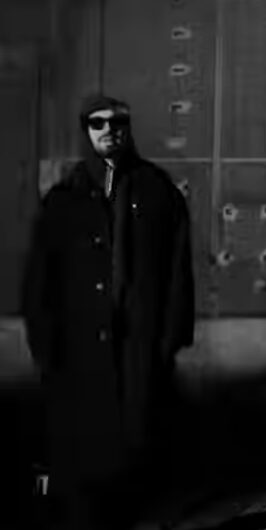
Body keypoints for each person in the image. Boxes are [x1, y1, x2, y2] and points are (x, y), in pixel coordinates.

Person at [22, 94, 195, 529]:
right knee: (84, 453)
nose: (108, 130)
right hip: (79, 347)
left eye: (117, 122)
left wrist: (169, 340)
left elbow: (178, 270)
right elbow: (40, 280)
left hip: (139, 342)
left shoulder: (158, 190)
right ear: (86, 130)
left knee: (139, 446)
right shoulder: (63, 199)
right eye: (97, 123)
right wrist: (46, 348)